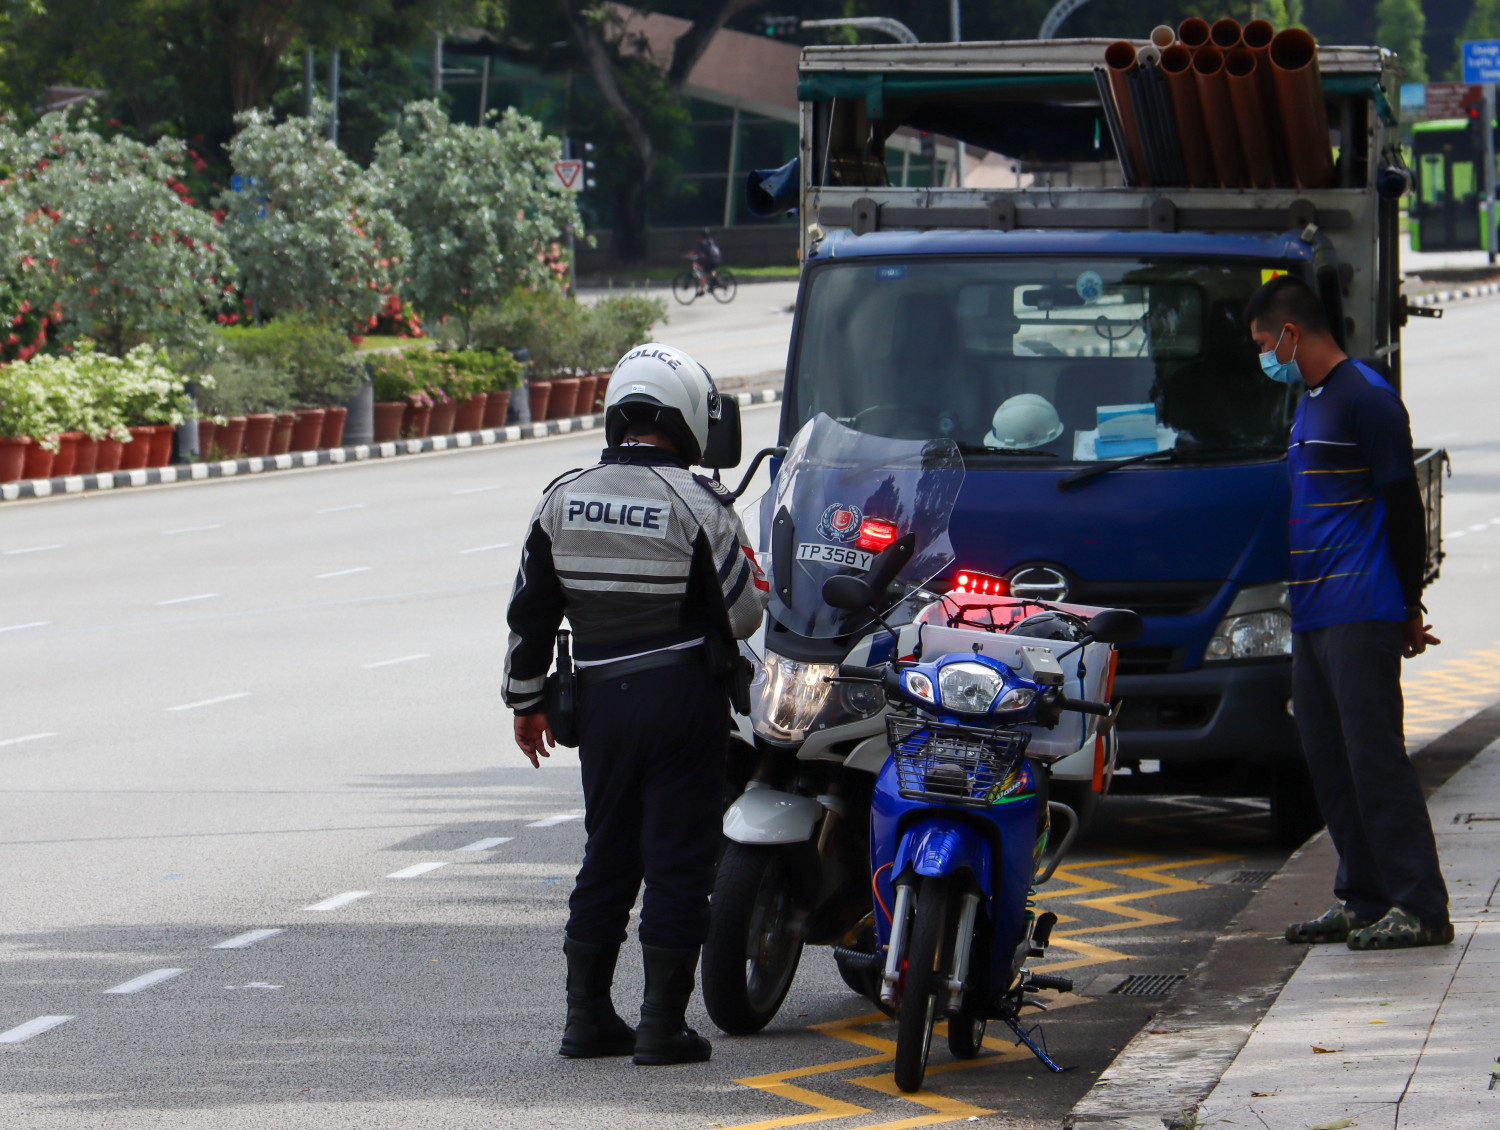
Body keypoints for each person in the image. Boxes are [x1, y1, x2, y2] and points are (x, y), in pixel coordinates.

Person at [503, 343, 769, 1064]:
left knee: (608, 856)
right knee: (679, 858)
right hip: (682, 699)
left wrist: (525, 703)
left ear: (619, 412)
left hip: (599, 704)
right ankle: (662, 1026)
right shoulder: (700, 504)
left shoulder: (562, 495)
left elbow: (530, 616)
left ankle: (586, 1019)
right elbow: (744, 621)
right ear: (685, 419)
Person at [1244, 275, 1451, 951]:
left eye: (1262, 344)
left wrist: (1408, 604)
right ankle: (1362, 897)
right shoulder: (1311, 402)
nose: (1263, 358)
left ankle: (1421, 905)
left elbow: (1402, 510)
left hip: (1360, 608)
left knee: (1375, 759)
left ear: (1291, 334)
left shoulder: (1367, 399)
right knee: (1329, 761)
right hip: (1313, 613)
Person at [690, 227, 722, 296]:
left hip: (711, 259)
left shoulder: (702, 243)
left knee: (703, 274)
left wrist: (686, 255)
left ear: (700, 236)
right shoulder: (711, 240)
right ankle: (715, 282)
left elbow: (694, 252)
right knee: (711, 269)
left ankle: (702, 291)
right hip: (717, 258)